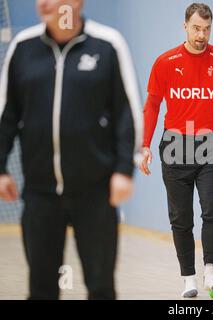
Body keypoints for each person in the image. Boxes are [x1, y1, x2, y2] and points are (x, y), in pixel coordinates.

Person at [0, 0, 142, 299]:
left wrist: (124, 170)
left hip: (96, 193)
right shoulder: (22, 49)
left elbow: (126, 112)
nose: (44, 3)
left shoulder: (107, 44)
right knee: (41, 288)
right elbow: (7, 115)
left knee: (101, 287)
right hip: (40, 194)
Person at [139, 3, 213, 298]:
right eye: (196, 28)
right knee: (181, 218)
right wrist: (145, 145)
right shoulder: (166, 62)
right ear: (185, 26)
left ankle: (211, 268)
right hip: (175, 146)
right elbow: (152, 105)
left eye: (206, 29)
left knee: (212, 208)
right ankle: (189, 278)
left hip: (211, 144)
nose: (201, 35)